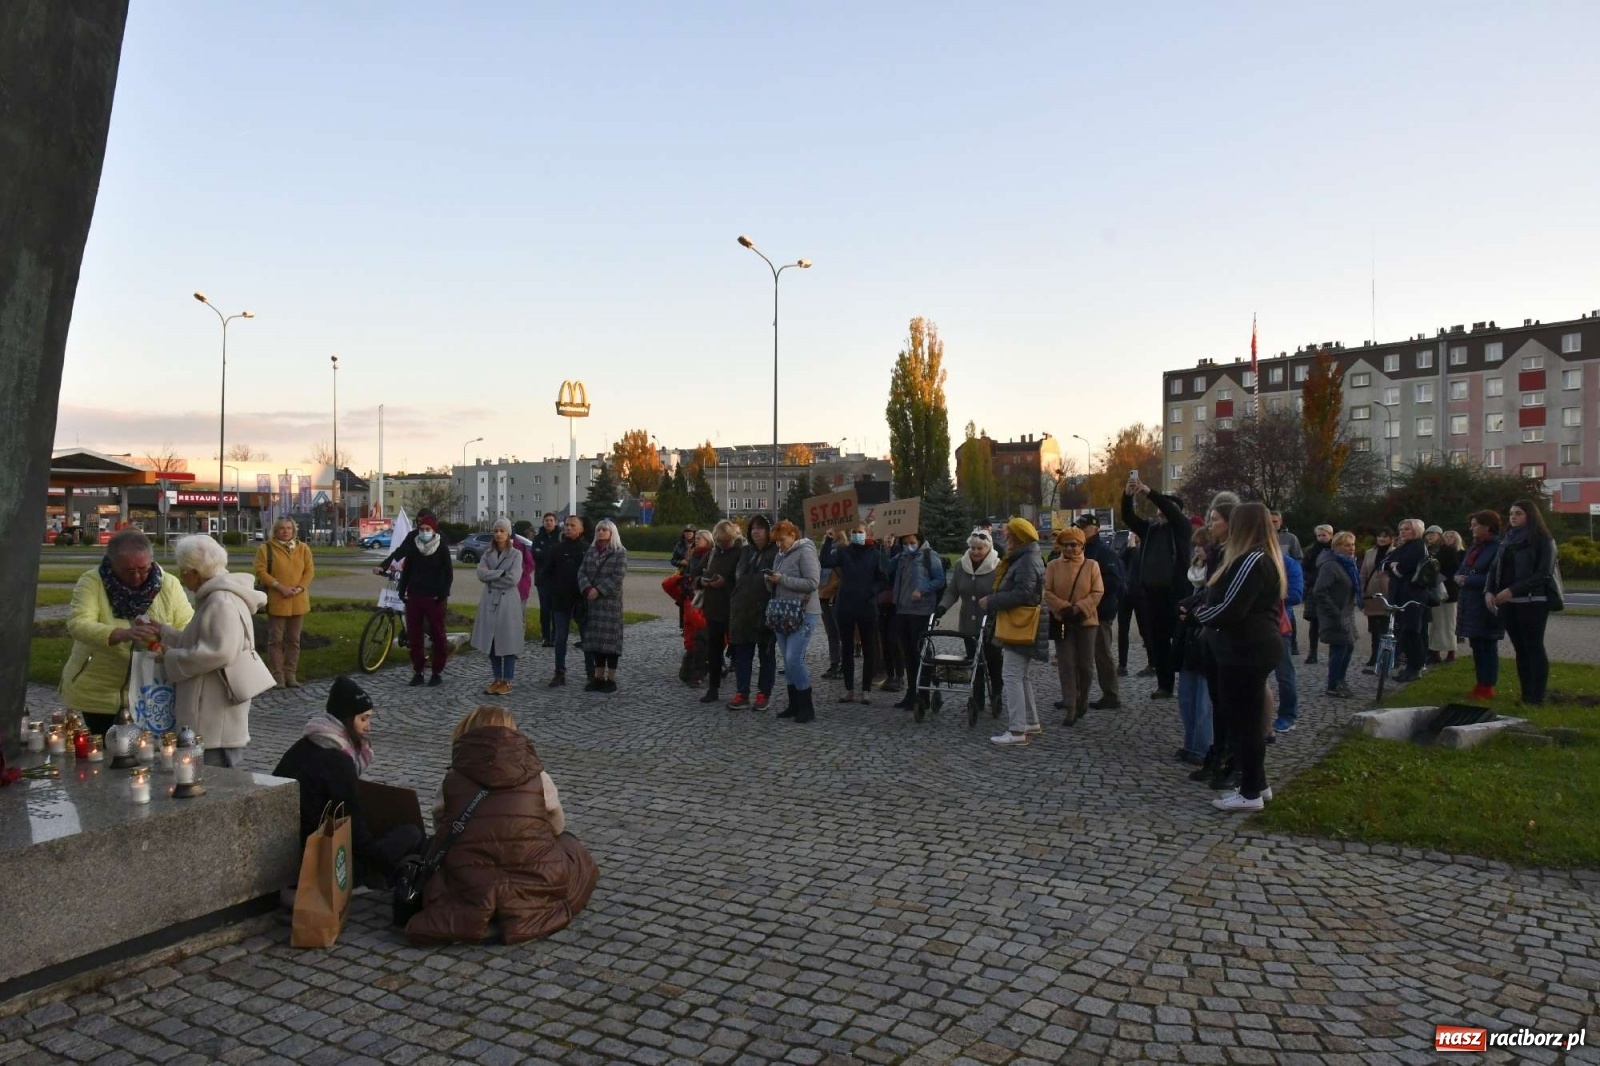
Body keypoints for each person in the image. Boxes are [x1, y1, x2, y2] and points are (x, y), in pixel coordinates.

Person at [405, 705, 599, 946]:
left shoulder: (452, 779)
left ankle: (479, 913)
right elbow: (556, 825)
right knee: (571, 845)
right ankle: (524, 909)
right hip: (533, 872)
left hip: (469, 875)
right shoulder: (538, 777)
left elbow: (441, 828)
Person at [271, 676, 424, 888]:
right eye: (363, 719)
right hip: (320, 854)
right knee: (411, 833)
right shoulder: (338, 761)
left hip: (288, 844)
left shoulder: (306, 744)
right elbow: (354, 830)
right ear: (346, 719)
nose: (368, 727)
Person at [1195, 503, 1287, 812]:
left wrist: (1200, 614)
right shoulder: (1260, 558)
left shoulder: (1252, 560)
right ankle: (1257, 783)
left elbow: (1232, 607)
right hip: (1249, 646)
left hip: (1246, 648)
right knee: (1246, 720)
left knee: (1245, 724)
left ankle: (1250, 793)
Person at [61, 529, 194, 737]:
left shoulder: (169, 584)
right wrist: (121, 634)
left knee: (150, 756)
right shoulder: (92, 581)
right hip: (100, 692)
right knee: (103, 756)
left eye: (143, 568)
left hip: (152, 689)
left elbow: (187, 627)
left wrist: (164, 636)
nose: (137, 577)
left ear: (151, 559)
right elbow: (78, 623)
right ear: (111, 564)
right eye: (127, 571)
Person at [156, 535, 268, 769]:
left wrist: (170, 656)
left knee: (217, 785)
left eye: (183, 571)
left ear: (196, 572)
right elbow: (203, 639)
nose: (181, 576)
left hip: (216, 719)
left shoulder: (221, 601)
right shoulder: (216, 597)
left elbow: (220, 652)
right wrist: (163, 632)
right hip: (214, 711)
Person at [1121, 480, 1191, 698]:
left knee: (1182, 638)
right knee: (1158, 640)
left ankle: (1190, 681)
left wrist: (1149, 491)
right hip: (1152, 593)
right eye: (1159, 509)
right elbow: (1128, 518)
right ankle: (1165, 685)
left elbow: (1172, 511)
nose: (1160, 512)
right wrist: (1127, 496)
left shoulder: (1181, 527)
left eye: (1164, 509)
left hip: (1177, 593)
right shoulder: (1151, 530)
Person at [981, 518, 1046, 746]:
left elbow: (1024, 594)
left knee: (1011, 675)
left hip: (1020, 625)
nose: (1005, 539)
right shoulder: (1027, 557)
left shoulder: (1026, 560)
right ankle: (1030, 721)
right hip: (1022, 625)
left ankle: (1017, 730)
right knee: (1022, 676)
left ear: (1018, 539)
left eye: (1008, 536)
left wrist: (992, 600)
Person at [1489, 499, 1558, 706]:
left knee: (1533, 647)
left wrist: (1513, 590)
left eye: (1518, 513)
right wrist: (1489, 591)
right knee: (1520, 649)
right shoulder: (1506, 540)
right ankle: (1526, 694)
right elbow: (1495, 568)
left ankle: (1537, 697)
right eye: (1511, 513)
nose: (1513, 517)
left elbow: (1543, 574)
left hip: (1533, 600)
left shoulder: (1543, 540)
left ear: (1530, 515)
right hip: (1510, 603)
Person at [937, 529, 1003, 715]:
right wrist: (943, 607)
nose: (975, 552)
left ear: (988, 548)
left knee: (993, 661)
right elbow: (952, 591)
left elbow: (1002, 593)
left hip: (990, 624)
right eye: (972, 548)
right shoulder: (961, 566)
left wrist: (992, 600)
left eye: (980, 548)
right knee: (974, 662)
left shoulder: (998, 567)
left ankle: (997, 692)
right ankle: (977, 699)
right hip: (968, 624)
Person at [1044, 527, 1104, 726]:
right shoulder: (1053, 566)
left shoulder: (1091, 565)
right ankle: (1070, 705)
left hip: (1086, 622)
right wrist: (1063, 608)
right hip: (1063, 621)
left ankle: (1083, 698)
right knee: (1066, 665)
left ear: (1081, 545)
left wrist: (1079, 608)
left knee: (1085, 665)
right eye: (1066, 545)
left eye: (1074, 545)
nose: (1070, 548)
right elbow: (1048, 592)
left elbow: (1097, 591)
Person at [825, 522, 888, 705]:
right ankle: (849, 689)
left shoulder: (875, 554)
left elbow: (883, 579)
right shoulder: (845, 552)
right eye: (854, 532)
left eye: (859, 532)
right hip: (845, 606)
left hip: (867, 607)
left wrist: (870, 592)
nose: (856, 535)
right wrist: (828, 541)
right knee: (847, 649)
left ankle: (866, 690)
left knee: (869, 649)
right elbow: (826, 562)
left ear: (867, 534)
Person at [766, 520, 821, 722]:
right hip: (783, 612)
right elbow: (778, 585)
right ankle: (794, 704)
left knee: (793, 658)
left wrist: (782, 579)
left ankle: (807, 706)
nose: (779, 544)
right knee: (787, 662)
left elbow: (813, 582)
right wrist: (770, 581)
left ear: (793, 535)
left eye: (782, 540)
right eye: (776, 541)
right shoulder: (780, 555)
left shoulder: (805, 551)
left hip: (804, 611)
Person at [392, 513, 454, 687]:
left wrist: (442, 593)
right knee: (414, 635)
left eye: (428, 529)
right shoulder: (414, 546)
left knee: (437, 634)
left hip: (433, 597)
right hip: (414, 595)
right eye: (422, 529)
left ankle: (437, 671)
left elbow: (448, 573)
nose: (424, 532)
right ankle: (418, 670)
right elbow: (407, 570)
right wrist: (402, 590)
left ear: (434, 530)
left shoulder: (441, 547)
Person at [252, 517, 314, 688]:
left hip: (298, 600)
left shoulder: (303, 548)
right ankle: (278, 676)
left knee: (294, 640)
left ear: (294, 530)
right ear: (275, 531)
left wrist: (300, 588)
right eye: (281, 528)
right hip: (277, 599)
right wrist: (280, 587)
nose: (285, 531)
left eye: (289, 528)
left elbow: (309, 570)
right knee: (276, 640)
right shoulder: (266, 548)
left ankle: (290, 674)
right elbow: (260, 571)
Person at [888, 529, 946, 713]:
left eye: (911, 542)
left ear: (919, 541)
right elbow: (885, 568)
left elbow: (940, 579)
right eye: (905, 543)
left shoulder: (929, 556)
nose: (908, 546)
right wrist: (885, 547)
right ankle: (911, 693)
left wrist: (922, 589)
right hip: (903, 609)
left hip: (921, 610)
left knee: (919, 653)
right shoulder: (901, 556)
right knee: (908, 655)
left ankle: (923, 694)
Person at [1072, 513, 1123, 711]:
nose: (1080, 530)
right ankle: (1074, 694)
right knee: (1076, 655)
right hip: (1079, 611)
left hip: (1100, 611)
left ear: (1095, 529)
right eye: (1078, 527)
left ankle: (1111, 695)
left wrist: (1090, 592)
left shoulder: (1103, 552)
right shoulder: (1078, 549)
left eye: (1083, 527)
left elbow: (1113, 582)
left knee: (1102, 655)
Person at [727, 515, 779, 709]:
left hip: (764, 610)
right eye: (753, 528)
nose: (756, 531)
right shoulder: (745, 551)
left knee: (766, 656)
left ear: (768, 531)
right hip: (742, 610)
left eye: (761, 528)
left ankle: (763, 694)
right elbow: (736, 577)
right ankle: (742, 693)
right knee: (742, 656)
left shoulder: (776, 552)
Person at [471, 519, 525, 696]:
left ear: (508, 533)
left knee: (508, 641)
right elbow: (480, 573)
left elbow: (513, 578)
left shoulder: (516, 554)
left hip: (508, 601)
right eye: (496, 531)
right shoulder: (488, 553)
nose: (499, 534)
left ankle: (507, 680)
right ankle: (497, 677)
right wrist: (500, 573)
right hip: (489, 600)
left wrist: (492, 576)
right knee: (491, 641)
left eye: (502, 530)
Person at [1172, 533, 1213, 765]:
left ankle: (1203, 746)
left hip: (1205, 642)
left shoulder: (1217, 575)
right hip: (1190, 641)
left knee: (1203, 699)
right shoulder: (1194, 576)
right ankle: (1191, 744)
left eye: (1202, 546)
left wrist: (1193, 613)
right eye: (1196, 545)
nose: (1198, 550)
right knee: (1187, 697)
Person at [1456, 510, 1504, 700]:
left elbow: (1496, 576)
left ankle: (1488, 684)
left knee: (1487, 644)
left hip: (1485, 601)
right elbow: (1463, 568)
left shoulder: (1498, 548)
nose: (1472, 528)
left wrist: (1468, 580)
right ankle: (1480, 682)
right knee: (1476, 643)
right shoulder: (1474, 548)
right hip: (1470, 602)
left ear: (1487, 526)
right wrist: (1458, 577)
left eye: (1475, 524)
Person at [577, 518, 628, 692]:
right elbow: (581, 572)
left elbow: (618, 576)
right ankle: (597, 677)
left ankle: (611, 678)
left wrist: (598, 590)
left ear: (612, 533)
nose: (600, 533)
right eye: (598, 530)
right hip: (593, 605)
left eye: (604, 530)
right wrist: (587, 588)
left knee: (611, 644)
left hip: (610, 604)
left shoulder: (619, 552)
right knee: (596, 643)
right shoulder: (590, 552)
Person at [696, 520, 743, 703]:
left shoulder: (741, 553)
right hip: (713, 607)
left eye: (726, 541)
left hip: (734, 608)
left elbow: (744, 580)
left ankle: (742, 690)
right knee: (714, 650)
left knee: (738, 650)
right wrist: (702, 581)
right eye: (720, 541)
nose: (723, 544)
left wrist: (726, 583)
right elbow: (696, 572)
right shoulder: (712, 552)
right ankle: (713, 688)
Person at [1312, 532, 1361, 699]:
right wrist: (1334, 612)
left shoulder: (1348, 564)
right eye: (1347, 545)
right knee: (1339, 648)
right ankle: (1333, 685)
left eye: (1353, 545)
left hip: (1347, 612)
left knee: (1349, 646)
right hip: (1335, 613)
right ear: (1337, 547)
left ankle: (1340, 680)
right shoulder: (1331, 565)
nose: (1351, 548)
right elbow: (1319, 591)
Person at [1383, 518, 1432, 682]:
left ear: (1416, 531)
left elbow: (1401, 569)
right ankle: (1410, 666)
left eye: (1407, 529)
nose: (1402, 532)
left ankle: (1415, 667)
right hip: (1400, 593)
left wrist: (1394, 567)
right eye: (1401, 529)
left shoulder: (1417, 546)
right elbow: (1384, 564)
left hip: (1412, 595)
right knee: (1405, 632)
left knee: (1413, 631)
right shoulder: (1403, 547)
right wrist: (1392, 565)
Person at [545, 515, 589, 687]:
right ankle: (559, 672)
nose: (569, 528)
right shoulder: (557, 549)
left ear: (581, 529)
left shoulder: (587, 549)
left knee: (587, 638)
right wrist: (553, 591)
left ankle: (590, 672)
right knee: (560, 637)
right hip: (561, 600)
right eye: (567, 525)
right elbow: (547, 573)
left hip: (582, 600)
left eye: (573, 525)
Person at [1271, 551, 1304, 733]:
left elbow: (1296, 595)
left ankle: (1288, 715)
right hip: (1250, 624)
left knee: (1284, 673)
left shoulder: (1288, 563)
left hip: (1278, 624)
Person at [1359, 528, 1396, 673]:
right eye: (1379, 536)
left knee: (1387, 627)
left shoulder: (1395, 552)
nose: (1381, 539)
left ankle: (1388, 657)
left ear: (1391, 538)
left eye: (1385, 537)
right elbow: (1363, 573)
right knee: (1374, 628)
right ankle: (1374, 655)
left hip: (1387, 593)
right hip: (1372, 593)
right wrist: (1361, 590)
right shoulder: (1370, 553)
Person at [1427, 525, 1463, 664]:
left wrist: (1438, 577)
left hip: (1448, 591)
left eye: (1433, 534)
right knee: (1435, 624)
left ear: (1439, 536)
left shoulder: (1448, 550)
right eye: (1428, 534)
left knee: (1449, 623)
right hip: (1433, 592)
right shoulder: (1429, 551)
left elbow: (1455, 569)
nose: (1430, 536)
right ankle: (1434, 652)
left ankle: (1451, 652)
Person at [1115, 531, 1148, 678]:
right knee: (1123, 630)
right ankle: (1122, 664)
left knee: (1145, 629)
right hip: (1126, 593)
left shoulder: (1146, 546)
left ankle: (1152, 663)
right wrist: (1129, 546)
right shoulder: (1127, 545)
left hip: (1140, 594)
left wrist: (1134, 547)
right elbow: (1120, 558)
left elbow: (1139, 564)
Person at [875, 537, 905, 692]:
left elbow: (890, 570)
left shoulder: (900, 551)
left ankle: (900, 675)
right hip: (882, 601)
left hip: (897, 602)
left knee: (894, 639)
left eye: (891, 536)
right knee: (884, 640)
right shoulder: (878, 550)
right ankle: (890, 674)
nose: (888, 539)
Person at [1301, 525, 1333, 664]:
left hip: (1330, 589)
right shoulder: (1311, 551)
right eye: (1319, 535)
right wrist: (1309, 581)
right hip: (1314, 588)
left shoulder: (1335, 550)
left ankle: (1333, 653)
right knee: (1314, 623)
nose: (1321, 538)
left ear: (1330, 535)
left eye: (1324, 535)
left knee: (1332, 622)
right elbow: (1305, 567)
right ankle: (1312, 652)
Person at [530, 513, 562, 647]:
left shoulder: (560, 537)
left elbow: (560, 555)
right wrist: (549, 554)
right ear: (543, 522)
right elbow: (536, 554)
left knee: (556, 609)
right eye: (546, 520)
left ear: (555, 522)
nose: (548, 522)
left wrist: (547, 555)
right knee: (545, 609)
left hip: (557, 579)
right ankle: (546, 636)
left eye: (551, 520)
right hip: (542, 579)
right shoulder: (538, 538)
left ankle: (556, 636)